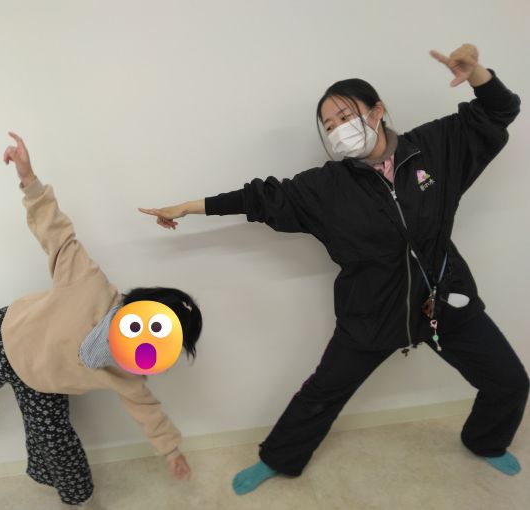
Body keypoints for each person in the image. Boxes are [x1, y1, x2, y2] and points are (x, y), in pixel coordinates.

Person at [139, 44, 528, 495]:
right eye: (329, 125)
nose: (338, 129)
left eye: (345, 116)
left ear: (377, 111)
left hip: (445, 300)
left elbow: (499, 111)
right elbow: (259, 198)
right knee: (321, 394)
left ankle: (485, 440)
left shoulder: (435, 149)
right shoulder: (325, 187)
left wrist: (477, 73)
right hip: (371, 313)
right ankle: (277, 458)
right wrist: (189, 207)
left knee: (510, 382)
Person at [0, 133, 203, 506]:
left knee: (54, 441)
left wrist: (171, 451)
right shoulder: (89, 284)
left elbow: (148, 410)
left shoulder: (129, 371)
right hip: (3, 341)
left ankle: (77, 498)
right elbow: (57, 233)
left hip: (42, 383)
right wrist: (28, 177)